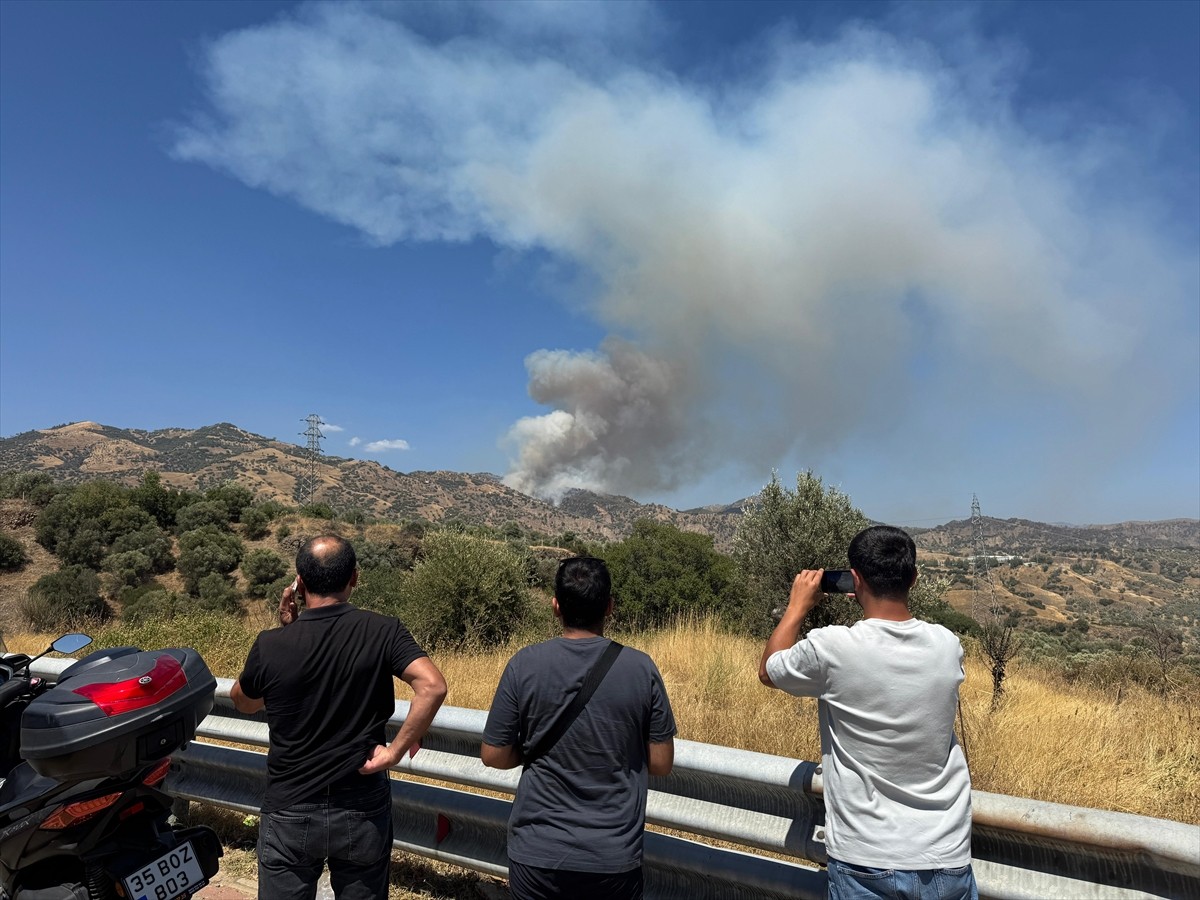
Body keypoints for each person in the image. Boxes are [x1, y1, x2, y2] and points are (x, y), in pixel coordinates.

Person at [759, 525, 977, 900]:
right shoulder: (947, 644)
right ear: (914, 577)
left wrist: (797, 606)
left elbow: (769, 671)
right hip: (945, 852)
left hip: (865, 855)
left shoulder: (831, 647)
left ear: (854, 580)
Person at [231, 534, 447, 900]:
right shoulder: (383, 630)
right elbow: (433, 686)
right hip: (361, 804)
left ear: (298, 583)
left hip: (290, 806)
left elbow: (244, 703)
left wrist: (287, 631)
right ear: (355, 578)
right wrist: (394, 752)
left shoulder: (271, 644)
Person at [481, 556, 676, 900]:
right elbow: (660, 763)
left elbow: (493, 755)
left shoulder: (523, 664)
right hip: (612, 855)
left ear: (555, 607)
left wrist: (532, 750)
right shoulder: (641, 668)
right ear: (610, 607)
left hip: (537, 850)